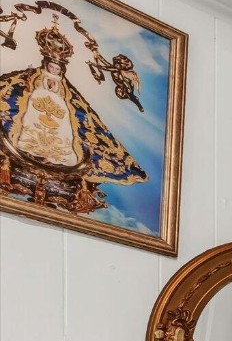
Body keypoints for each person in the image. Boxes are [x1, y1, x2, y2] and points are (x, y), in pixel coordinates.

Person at [0, 22, 147, 213]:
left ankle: (58, 162)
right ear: (46, 63)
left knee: (66, 128)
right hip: (34, 111)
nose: (53, 70)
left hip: (58, 118)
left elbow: (76, 109)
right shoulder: (31, 78)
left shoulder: (67, 90)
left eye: (57, 68)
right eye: (51, 66)